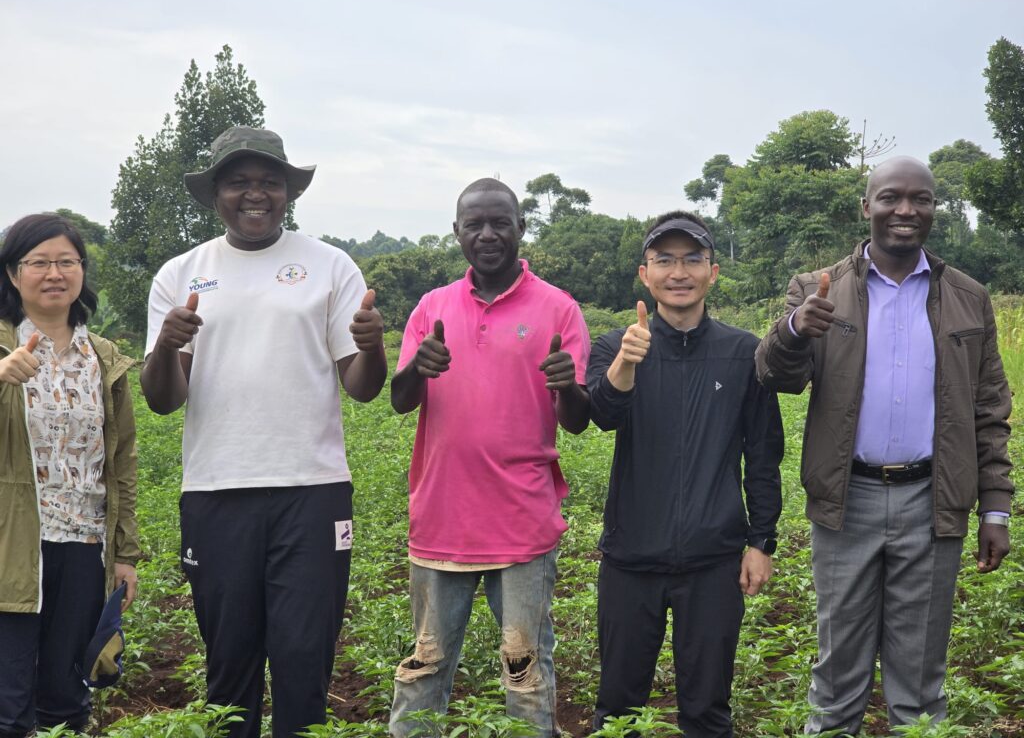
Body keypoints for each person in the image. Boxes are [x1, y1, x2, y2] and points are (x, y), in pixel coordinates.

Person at [141, 127, 386, 738]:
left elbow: (361, 386)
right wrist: (167, 349)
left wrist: (373, 346)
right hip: (216, 491)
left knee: (306, 661)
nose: (256, 195)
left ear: (287, 192)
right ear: (216, 194)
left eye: (269, 182)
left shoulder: (329, 265)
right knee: (230, 662)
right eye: (239, 183)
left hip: (313, 489)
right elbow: (163, 400)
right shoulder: (182, 274)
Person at [755, 156, 1013, 735]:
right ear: (865, 206)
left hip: (932, 503)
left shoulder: (969, 298)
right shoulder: (818, 289)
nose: (906, 210)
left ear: (933, 210)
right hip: (849, 503)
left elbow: (989, 410)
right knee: (837, 674)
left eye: (920, 199)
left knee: (919, 681)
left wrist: (996, 508)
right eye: (892, 197)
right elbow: (774, 376)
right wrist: (795, 329)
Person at [387, 177, 590, 738]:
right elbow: (401, 403)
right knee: (423, 671)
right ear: (456, 233)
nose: (487, 234)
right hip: (441, 521)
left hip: (522, 524)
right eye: (474, 224)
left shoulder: (559, 309)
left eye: (500, 221)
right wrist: (414, 369)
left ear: (521, 229)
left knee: (525, 674)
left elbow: (575, 420)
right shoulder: (432, 308)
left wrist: (568, 386)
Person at [587, 212, 784, 738]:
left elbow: (763, 455)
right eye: (665, 260)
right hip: (630, 559)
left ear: (712, 272)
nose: (679, 272)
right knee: (617, 708)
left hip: (714, 562)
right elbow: (602, 415)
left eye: (692, 260)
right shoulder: (614, 346)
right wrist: (626, 365)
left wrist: (761, 540)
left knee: (707, 710)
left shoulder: (744, 352)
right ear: (644, 273)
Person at [0, 213, 140, 738]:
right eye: (38, 262)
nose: (54, 273)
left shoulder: (103, 358)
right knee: (8, 706)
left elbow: (120, 462)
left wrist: (124, 554)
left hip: (83, 544)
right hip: (12, 546)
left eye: (66, 261)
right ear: (14, 274)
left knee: (65, 700)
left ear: (82, 271)